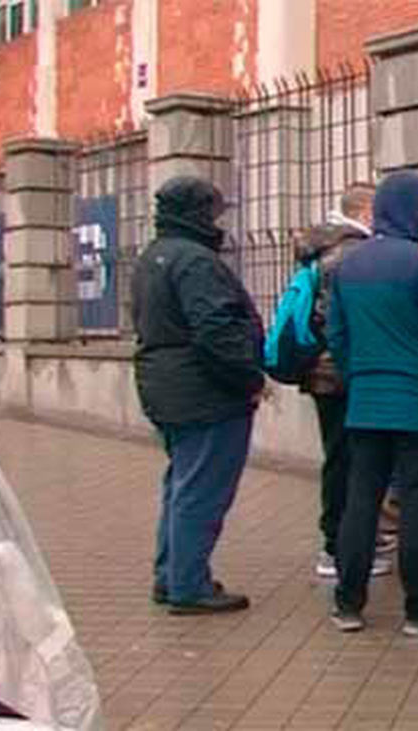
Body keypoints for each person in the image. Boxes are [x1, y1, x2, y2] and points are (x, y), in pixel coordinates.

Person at [325, 171, 418, 636]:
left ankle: (348, 601)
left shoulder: (347, 266)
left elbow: (337, 335)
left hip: (365, 404)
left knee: (361, 502)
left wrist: (359, 378)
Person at [133, 176, 264, 615]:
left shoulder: (154, 256)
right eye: (212, 211)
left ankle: (172, 575)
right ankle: (189, 586)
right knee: (202, 491)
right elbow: (215, 329)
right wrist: (249, 377)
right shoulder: (195, 261)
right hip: (205, 392)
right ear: (197, 213)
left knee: (182, 484)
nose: (218, 220)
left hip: (165, 385)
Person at [297, 182, 392, 581]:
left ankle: (349, 539)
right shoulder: (348, 253)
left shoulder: (324, 247)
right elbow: (338, 321)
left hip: (325, 373)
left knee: (342, 458)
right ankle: (339, 547)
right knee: (347, 463)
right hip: (342, 375)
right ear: (367, 212)